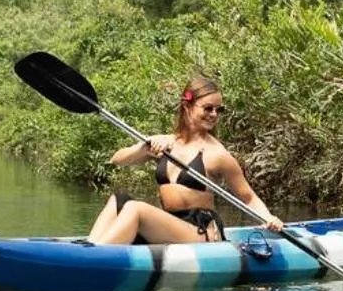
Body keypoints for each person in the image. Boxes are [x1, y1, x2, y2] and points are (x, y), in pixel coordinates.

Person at [85, 75, 286, 245]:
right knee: (119, 200)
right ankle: (91, 248)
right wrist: (144, 147)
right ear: (187, 106)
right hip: (169, 224)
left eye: (219, 109)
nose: (214, 114)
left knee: (136, 209)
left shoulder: (217, 154)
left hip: (199, 231)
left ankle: (93, 259)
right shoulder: (165, 143)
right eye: (208, 108)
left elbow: (248, 197)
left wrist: (268, 217)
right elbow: (117, 160)